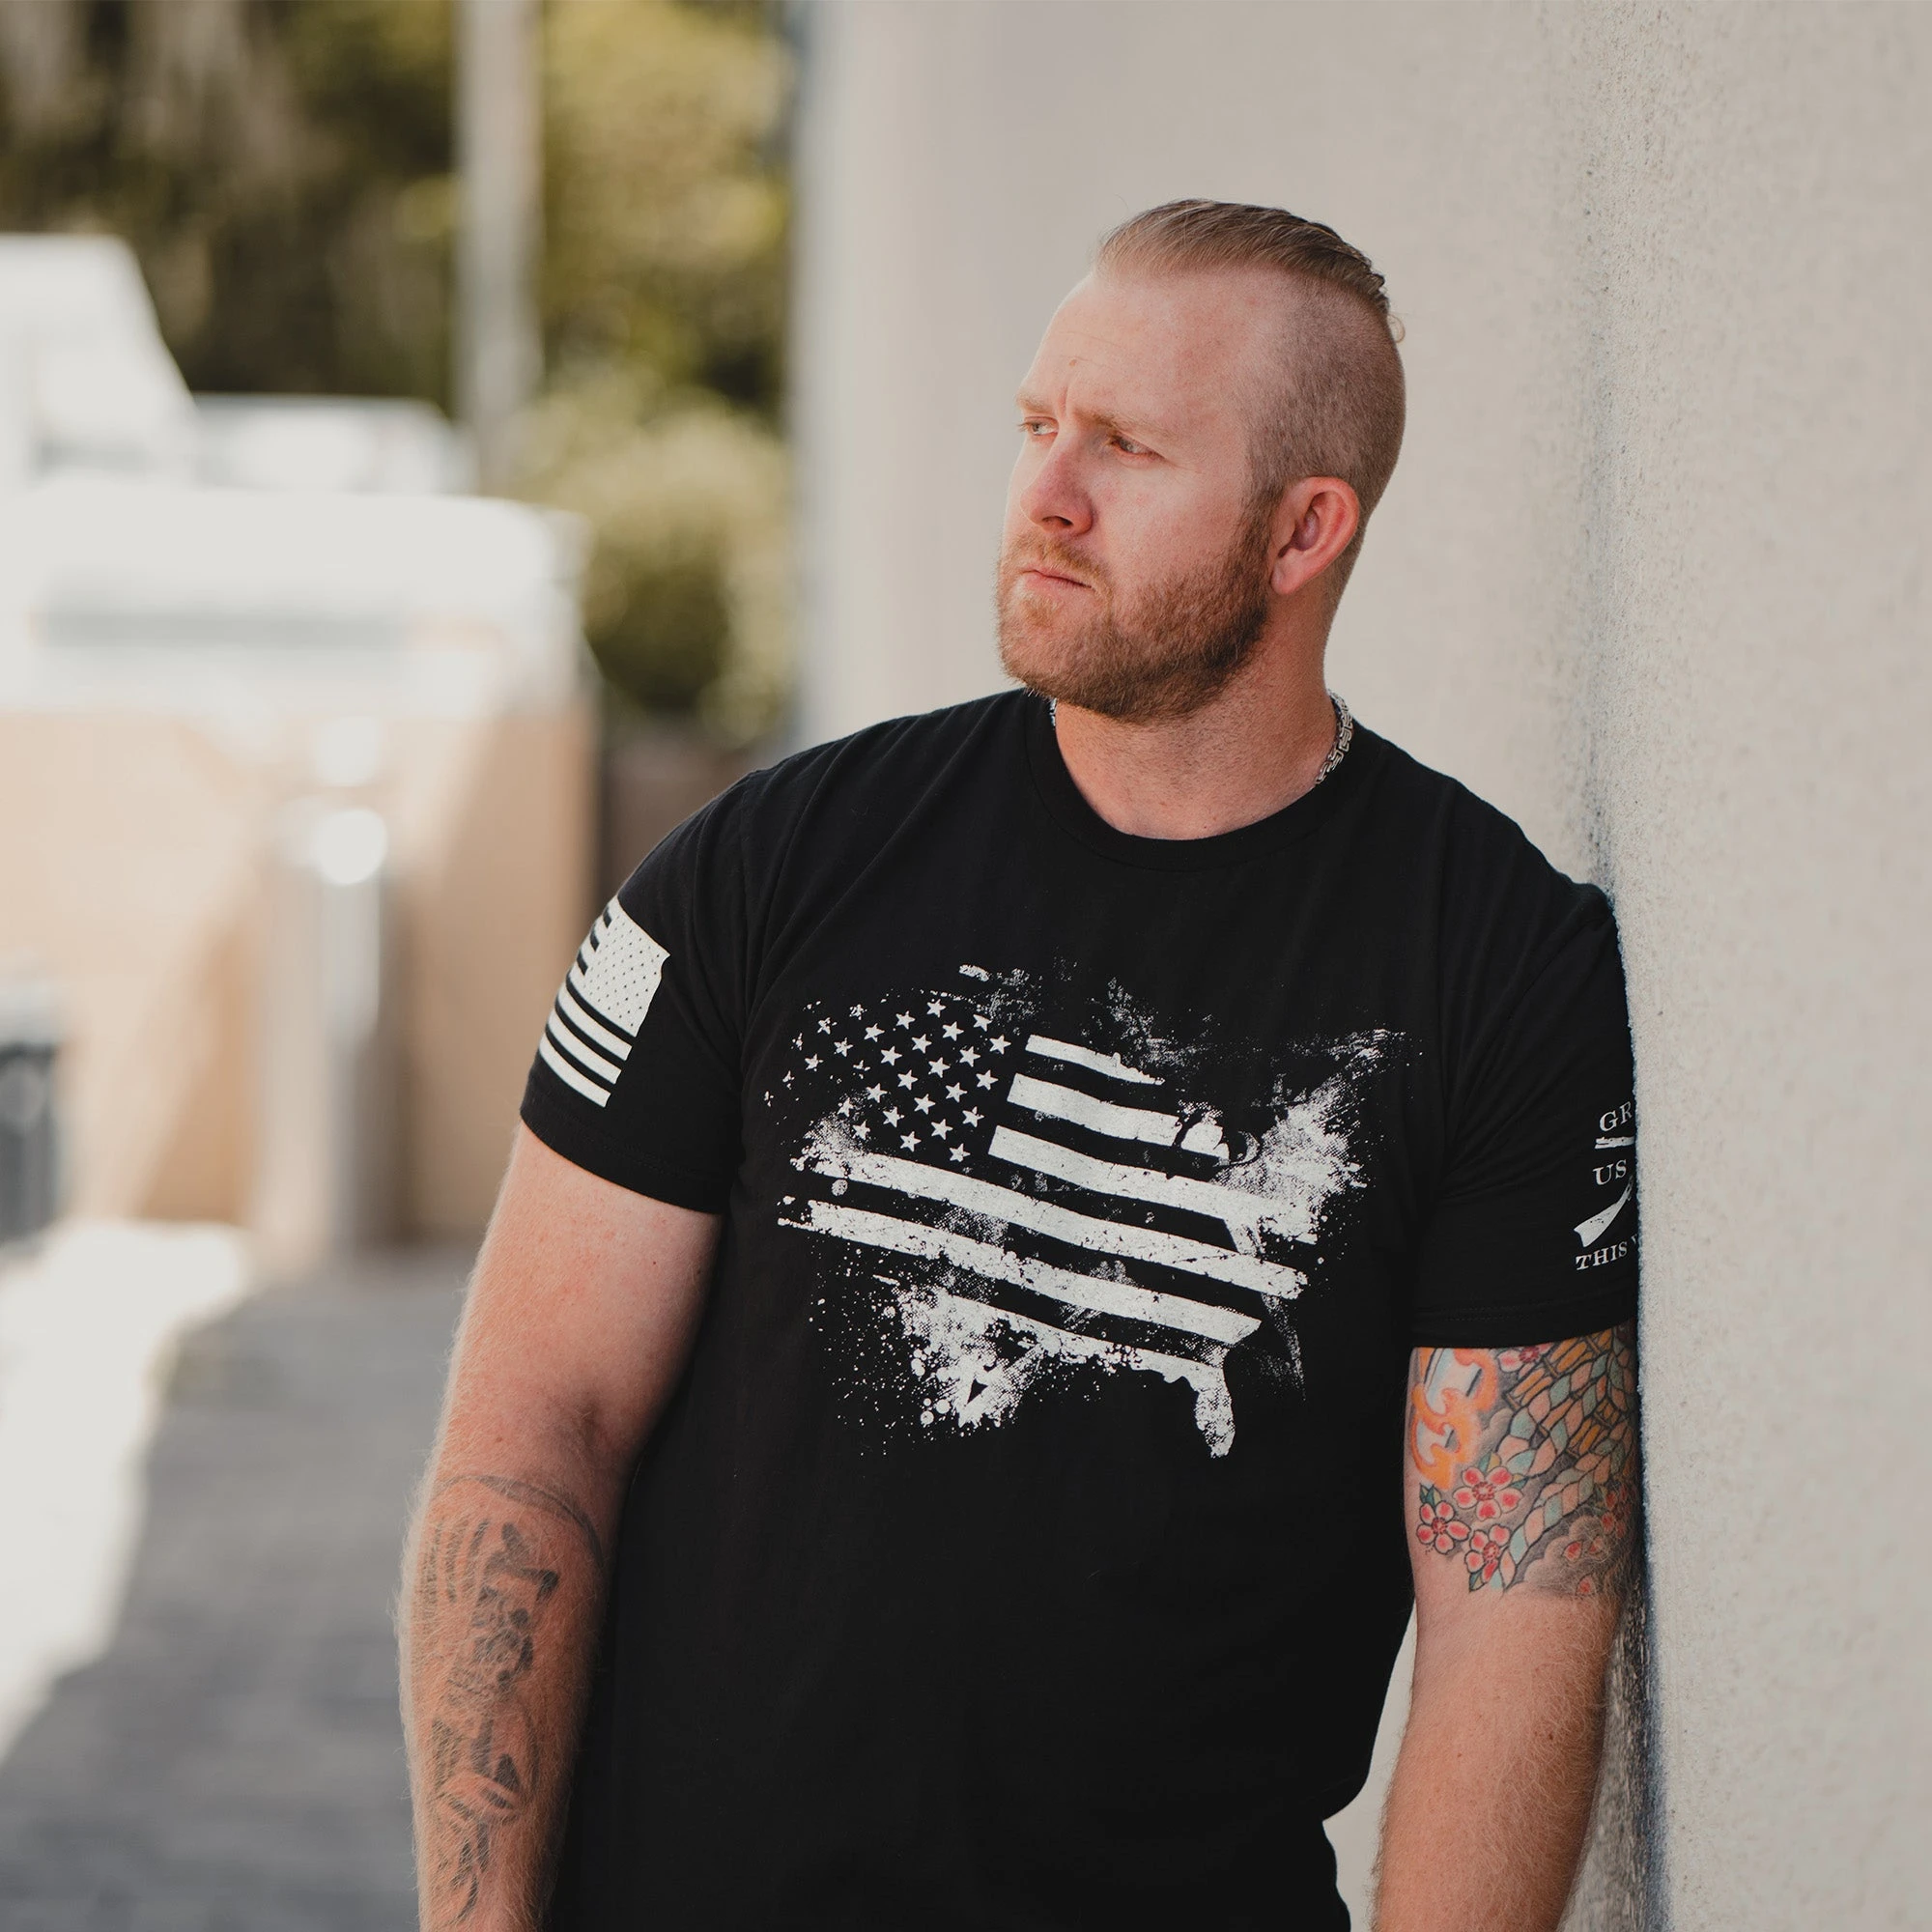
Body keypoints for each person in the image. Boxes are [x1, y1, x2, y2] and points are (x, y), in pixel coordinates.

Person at [400, 199, 1640, 1932]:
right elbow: (536, 1430)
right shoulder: (771, 868)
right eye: (1039, 423)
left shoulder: (1496, 967)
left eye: (1127, 447)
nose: (1047, 494)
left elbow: (1518, 1610)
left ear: (1305, 531)